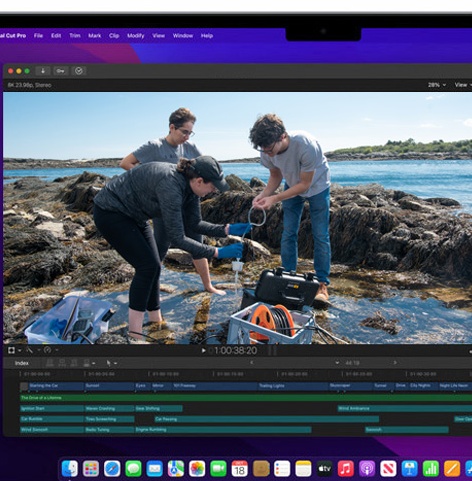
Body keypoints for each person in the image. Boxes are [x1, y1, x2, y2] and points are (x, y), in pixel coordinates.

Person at [93, 156, 251, 340]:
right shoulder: (171, 185)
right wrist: (216, 252)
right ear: (200, 181)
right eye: (213, 186)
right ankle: (135, 334)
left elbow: (194, 224)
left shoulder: (192, 188)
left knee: (154, 267)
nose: (214, 190)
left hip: (136, 216)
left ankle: (155, 320)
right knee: (147, 267)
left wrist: (226, 229)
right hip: (110, 213)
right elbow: (177, 237)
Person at [119, 108, 225, 295]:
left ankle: (208, 286)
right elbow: (126, 163)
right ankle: (153, 284)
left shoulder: (191, 147)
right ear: (172, 127)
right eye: (184, 132)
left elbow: (203, 170)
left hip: (189, 202)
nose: (187, 136)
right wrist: (149, 186)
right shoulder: (155, 146)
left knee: (196, 241)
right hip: (164, 205)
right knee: (161, 244)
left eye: (190, 133)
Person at [249, 114, 331, 303]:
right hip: (292, 183)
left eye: (270, 149)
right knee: (288, 233)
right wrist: (263, 195)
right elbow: (276, 175)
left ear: (282, 136)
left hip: (318, 186)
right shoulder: (266, 148)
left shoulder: (306, 145)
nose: (267, 153)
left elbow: (305, 184)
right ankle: (287, 276)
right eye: (263, 150)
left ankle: (321, 284)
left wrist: (275, 198)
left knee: (320, 235)